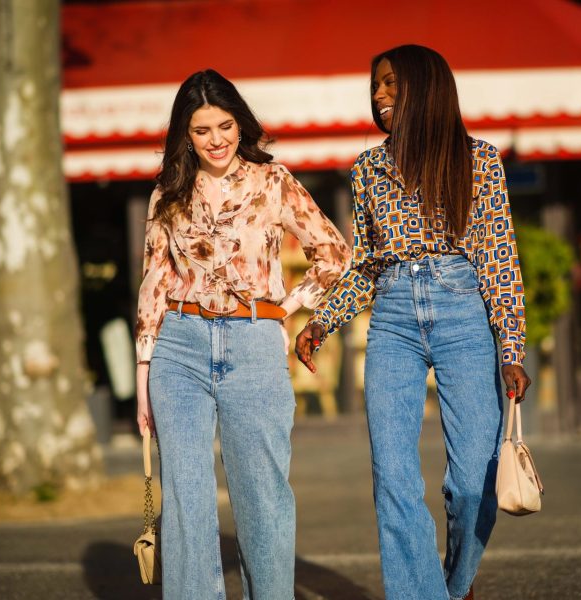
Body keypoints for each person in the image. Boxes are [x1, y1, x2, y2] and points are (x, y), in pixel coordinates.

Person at [296, 45, 530, 600]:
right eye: (375, 86)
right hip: (393, 321)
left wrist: (511, 349)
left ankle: (455, 584)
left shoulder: (479, 161)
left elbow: (499, 260)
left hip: (462, 313)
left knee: (473, 481)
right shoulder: (367, 169)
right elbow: (367, 265)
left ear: (426, 89)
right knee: (394, 479)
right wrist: (322, 322)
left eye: (391, 85)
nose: (379, 95)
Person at [135, 69, 350, 600]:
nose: (216, 140)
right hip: (178, 346)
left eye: (225, 126)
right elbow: (154, 282)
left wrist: (285, 309)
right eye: (202, 130)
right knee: (185, 500)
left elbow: (334, 253)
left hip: (254, 342)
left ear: (240, 123)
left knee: (262, 496)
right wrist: (143, 374)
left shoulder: (273, 181)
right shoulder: (168, 191)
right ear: (185, 135)